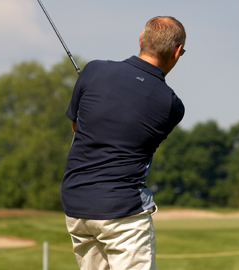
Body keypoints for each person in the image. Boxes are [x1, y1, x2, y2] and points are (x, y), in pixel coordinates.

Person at [61, 16, 186, 270]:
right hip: (123, 211)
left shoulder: (93, 70)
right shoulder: (172, 106)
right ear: (177, 52)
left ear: (141, 40)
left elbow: (78, 128)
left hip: (76, 205)